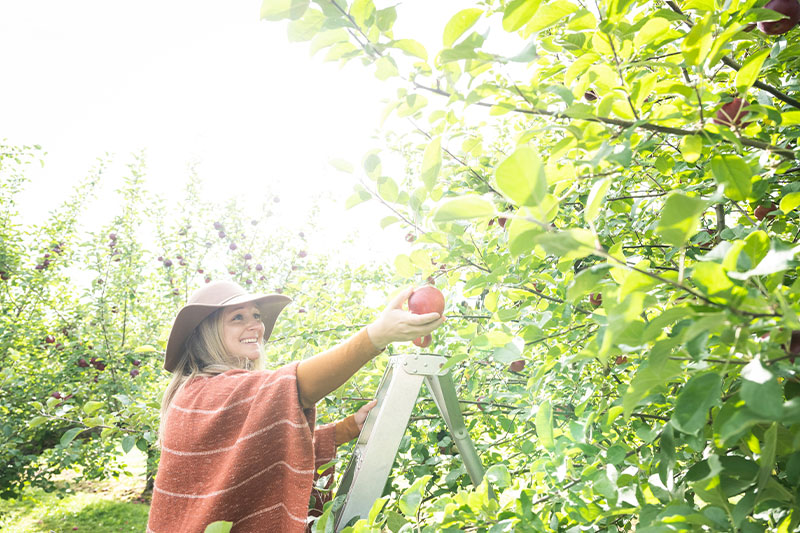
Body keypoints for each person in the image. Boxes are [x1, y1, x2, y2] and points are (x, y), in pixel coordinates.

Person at [146, 280, 445, 533]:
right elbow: (295, 385)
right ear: (207, 332)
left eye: (256, 315)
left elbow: (255, 451)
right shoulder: (207, 394)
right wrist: (376, 335)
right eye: (237, 317)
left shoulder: (201, 393)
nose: (255, 326)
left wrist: (344, 430)